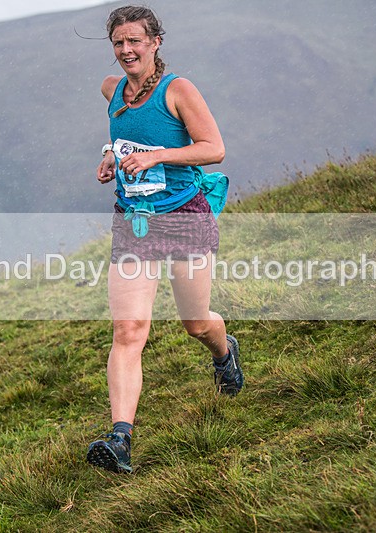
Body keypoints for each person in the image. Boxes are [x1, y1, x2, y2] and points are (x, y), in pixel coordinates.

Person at [86, 5, 243, 474]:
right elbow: (124, 135)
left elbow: (213, 148)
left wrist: (157, 157)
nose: (126, 50)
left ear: (156, 42)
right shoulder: (111, 90)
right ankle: (120, 439)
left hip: (184, 218)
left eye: (135, 41)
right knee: (128, 330)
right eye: (118, 43)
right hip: (134, 221)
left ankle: (224, 350)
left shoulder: (179, 90)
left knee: (196, 322)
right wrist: (111, 157)